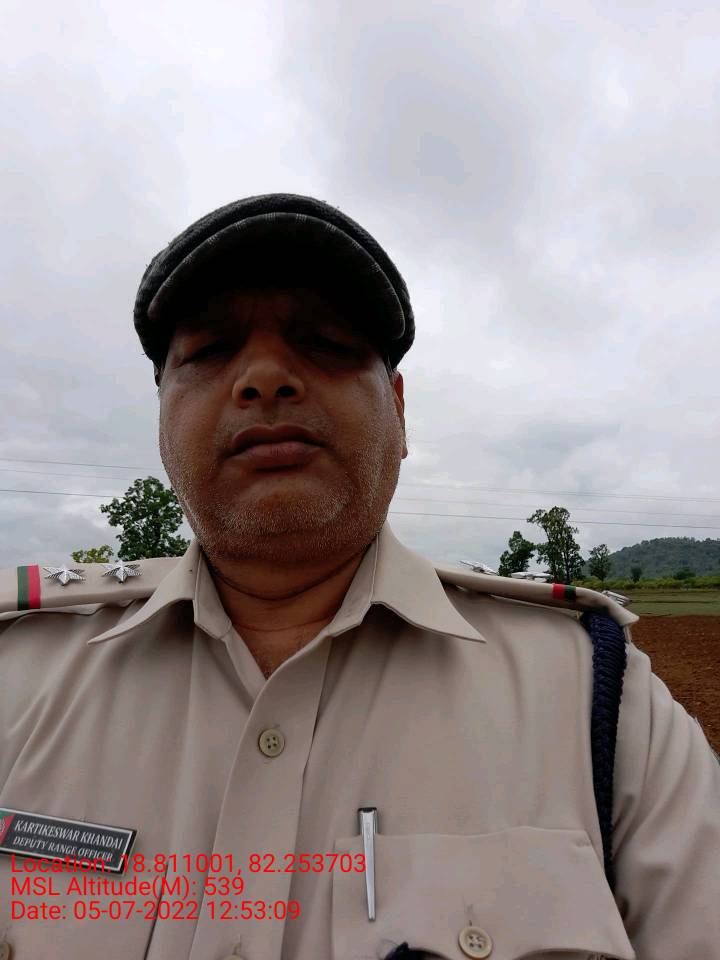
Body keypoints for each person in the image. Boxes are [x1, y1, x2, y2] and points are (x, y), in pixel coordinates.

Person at [0, 193, 718, 960]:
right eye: (210, 350)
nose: (265, 377)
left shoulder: (598, 698)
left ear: (399, 412)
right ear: (161, 417)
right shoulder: (17, 671)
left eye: (327, 342)